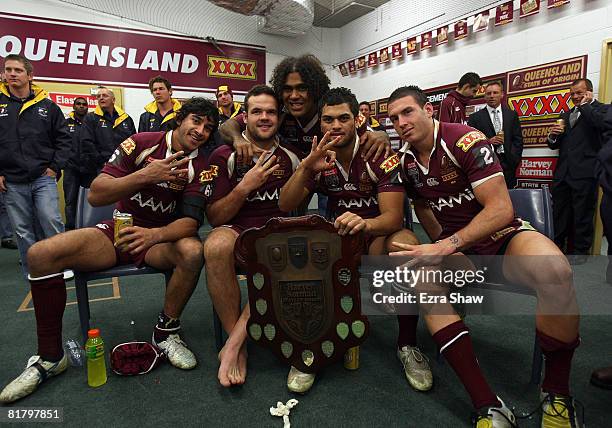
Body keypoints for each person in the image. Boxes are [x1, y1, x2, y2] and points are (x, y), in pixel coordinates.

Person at [0, 97, 218, 403]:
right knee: (40, 255)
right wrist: (147, 175)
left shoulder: (204, 164)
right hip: (116, 233)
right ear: (180, 119)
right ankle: (50, 357)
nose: (200, 131)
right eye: (196, 121)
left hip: (159, 240)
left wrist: (154, 235)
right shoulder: (139, 142)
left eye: (208, 128)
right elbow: (97, 195)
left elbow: (191, 222)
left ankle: (165, 333)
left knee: (193, 251)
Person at [388, 85, 582, 427]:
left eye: (408, 112)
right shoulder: (403, 162)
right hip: (461, 249)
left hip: (504, 238)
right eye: (393, 118)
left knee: (556, 271)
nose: (401, 122)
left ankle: (556, 394)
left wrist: (448, 244)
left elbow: (501, 209)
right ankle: (487, 405)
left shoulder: (465, 139)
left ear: (428, 111)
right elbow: (418, 202)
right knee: (419, 274)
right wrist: (442, 241)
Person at [279, 87, 432, 394]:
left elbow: (391, 217)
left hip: (376, 235)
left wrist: (364, 223)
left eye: (343, 118)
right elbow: (285, 203)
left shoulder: (378, 153)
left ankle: (407, 344)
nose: (335, 126)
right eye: (328, 119)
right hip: (338, 244)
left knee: (404, 244)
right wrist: (308, 166)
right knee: (303, 252)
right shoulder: (322, 157)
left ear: (358, 119)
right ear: (321, 123)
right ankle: (310, 346)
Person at [203, 85, 300, 388]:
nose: (264, 117)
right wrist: (245, 186)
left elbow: (294, 209)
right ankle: (240, 345)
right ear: (244, 116)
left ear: (279, 118)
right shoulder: (224, 154)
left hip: (275, 236)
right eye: (257, 111)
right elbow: (215, 217)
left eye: (271, 111)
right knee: (215, 244)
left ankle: (231, 345)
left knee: (280, 247)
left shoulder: (292, 158)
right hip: (237, 230)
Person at [219, 54, 390, 163]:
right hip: (297, 171)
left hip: (331, 171)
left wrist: (382, 136)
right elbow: (228, 126)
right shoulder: (279, 110)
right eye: (287, 89)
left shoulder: (330, 106)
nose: (294, 96)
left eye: (302, 88)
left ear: (315, 88)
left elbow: (376, 133)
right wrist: (238, 139)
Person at [0, 54, 72, 277]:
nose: (12, 74)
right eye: (8, 69)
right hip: (11, 181)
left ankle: (62, 265)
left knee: (51, 221)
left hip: (43, 177)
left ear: (30, 75)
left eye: (18, 70)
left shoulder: (48, 107)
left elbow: (65, 140)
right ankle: (33, 270)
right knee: (21, 230)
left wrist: (55, 167)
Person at [547, 78, 606, 264]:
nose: (574, 97)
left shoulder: (601, 110)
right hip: (563, 173)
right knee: (560, 214)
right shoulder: (565, 115)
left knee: (582, 214)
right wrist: (552, 135)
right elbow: (553, 145)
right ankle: (556, 247)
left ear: (589, 92)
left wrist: (586, 105)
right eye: (572, 94)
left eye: (579, 93)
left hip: (585, 172)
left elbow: (600, 126)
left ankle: (580, 251)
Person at [467, 82, 523, 188]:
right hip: (486, 165)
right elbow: (472, 143)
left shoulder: (511, 115)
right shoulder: (475, 117)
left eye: (495, 93)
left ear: (502, 94)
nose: (492, 96)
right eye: (488, 93)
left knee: (510, 197)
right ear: (485, 96)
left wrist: (515, 159)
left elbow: (518, 139)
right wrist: (488, 142)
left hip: (508, 164)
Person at [80, 87, 136, 181]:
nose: (101, 98)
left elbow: (133, 142)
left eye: (105, 96)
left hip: (123, 167)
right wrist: (102, 162)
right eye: (99, 96)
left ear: (113, 100)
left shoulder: (126, 119)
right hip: (101, 168)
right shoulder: (91, 118)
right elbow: (87, 143)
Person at [63, 97, 90, 230]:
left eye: (84, 104)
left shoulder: (92, 123)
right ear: (74, 106)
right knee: (70, 201)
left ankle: (87, 228)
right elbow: (60, 143)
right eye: (78, 104)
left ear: (87, 107)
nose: (81, 106)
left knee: (89, 200)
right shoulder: (65, 123)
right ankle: (70, 230)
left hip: (89, 169)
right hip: (71, 168)